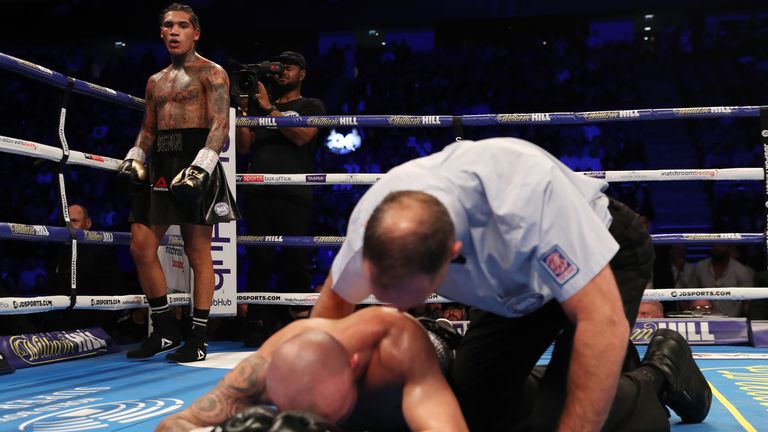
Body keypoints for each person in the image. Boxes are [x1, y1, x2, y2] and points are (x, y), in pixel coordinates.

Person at [311, 137, 712, 431]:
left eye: (402, 297)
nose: (391, 308)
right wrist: (315, 405)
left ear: (449, 257)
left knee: (569, 414)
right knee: (474, 408)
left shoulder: (525, 204)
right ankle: (585, 373)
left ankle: (662, 372)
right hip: (514, 289)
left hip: (601, 256)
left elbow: (599, 320)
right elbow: (329, 313)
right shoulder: (379, 224)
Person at [117, 3, 239, 363]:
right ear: (161, 32)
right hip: (161, 158)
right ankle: (166, 330)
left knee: (197, 250)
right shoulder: (155, 80)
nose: (174, 31)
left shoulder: (213, 73)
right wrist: (135, 156)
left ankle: (198, 338)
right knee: (141, 246)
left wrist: (202, 166)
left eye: (182, 26)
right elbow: (148, 129)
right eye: (168, 25)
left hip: (195, 155)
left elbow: (220, 124)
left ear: (195, 33)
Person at [155, 306, 468, 431]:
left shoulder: (396, 350)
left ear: (353, 365)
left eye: (332, 415)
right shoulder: (259, 373)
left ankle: (440, 327)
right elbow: (176, 423)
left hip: (436, 354)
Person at [235, 50, 326, 347]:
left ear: (303, 73)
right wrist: (245, 114)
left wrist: (268, 107)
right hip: (258, 191)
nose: (283, 72)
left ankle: (299, 320)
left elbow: (303, 136)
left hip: (295, 192)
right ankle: (256, 323)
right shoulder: (260, 107)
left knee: (295, 258)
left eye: (290, 67)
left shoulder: (312, 104)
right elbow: (244, 148)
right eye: (279, 67)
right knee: (259, 259)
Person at [47, 204, 126, 333]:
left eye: (74, 221)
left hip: (91, 330)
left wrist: (98, 333)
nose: (69, 226)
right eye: (65, 222)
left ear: (88, 223)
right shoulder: (60, 253)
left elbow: (115, 295)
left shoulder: (100, 253)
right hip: (62, 329)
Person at [686, 244, 754, 316]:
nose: (716, 248)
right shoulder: (700, 267)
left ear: (730, 247)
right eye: (714, 245)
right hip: (704, 317)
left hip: (732, 319)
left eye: (721, 245)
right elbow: (690, 293)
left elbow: (747, 302)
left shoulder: (741, 270)